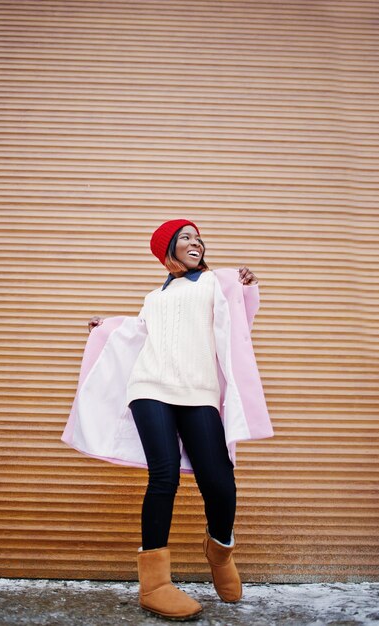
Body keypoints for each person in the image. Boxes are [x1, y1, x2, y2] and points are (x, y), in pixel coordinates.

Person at [62, 218, 274, 621]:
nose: (196, 242)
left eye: (198, 238)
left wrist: (247, 284)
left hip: (198, 392)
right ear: (168, 251)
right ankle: (155, 585)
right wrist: (107, 327)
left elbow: (240, 317)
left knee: (219, 479)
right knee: (164, 476)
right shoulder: (153, 296)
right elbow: (140, 333)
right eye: (186, 238)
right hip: (149, 387)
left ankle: (220, 549)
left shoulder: (217, 282)